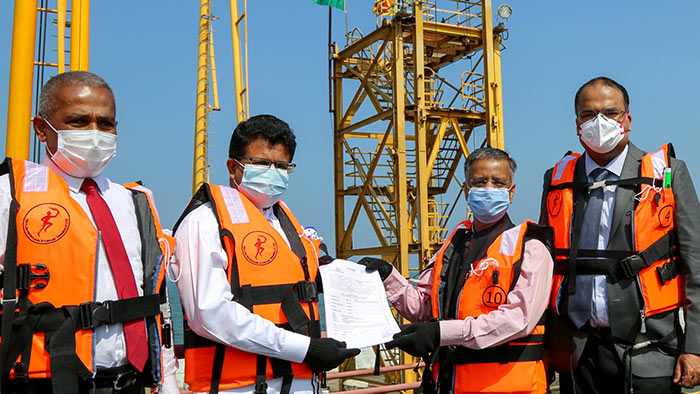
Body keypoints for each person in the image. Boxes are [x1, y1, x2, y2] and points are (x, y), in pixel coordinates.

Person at [0, 71, 179, 394]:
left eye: (105, 124)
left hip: (130, 382)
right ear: (42, 129)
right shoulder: (8, 196)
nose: (95, 134)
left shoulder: (135, 203)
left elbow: (156, 301)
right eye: (78, 122)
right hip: (43, 381)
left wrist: (168, 384)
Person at [173, 114, 360, 394]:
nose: (273, 172)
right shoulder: (205, 222)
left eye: (282, 166)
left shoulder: (286, 222)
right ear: (233, 167)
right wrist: (304, 349)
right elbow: (209, 315)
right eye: (261, 163)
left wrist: (363, 277)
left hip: (303, 382)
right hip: (237, 387)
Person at [539, 76, 700, 393]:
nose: (599, 122)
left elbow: (696, 264)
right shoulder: (556, 179)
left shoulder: (668, 174)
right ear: (577, 124)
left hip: (651, 349)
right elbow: (544, 267)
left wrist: (694, 347)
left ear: (627, 119)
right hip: (577, 352)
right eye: (589, 115)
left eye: (610, 113)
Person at [362, 147, 554, 393]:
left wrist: (440, 332)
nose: (488, 188)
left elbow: (518, 320)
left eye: (498, 182)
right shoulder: (452, 247)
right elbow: (423, 307)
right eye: (479, 182)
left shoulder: (530, 247)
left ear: (511, 191)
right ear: (466, 190)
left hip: (510, 386)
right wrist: (389, 277)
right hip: (450, 384)